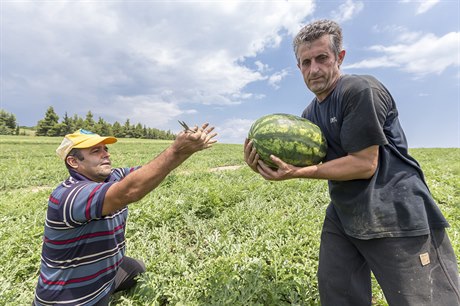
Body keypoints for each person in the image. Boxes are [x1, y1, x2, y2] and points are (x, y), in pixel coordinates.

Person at [244, 19, 460, 306]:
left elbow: (364, 164)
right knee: (338, 291)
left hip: (395, 208)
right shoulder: (310, 114)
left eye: (322, 58)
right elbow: (304, 159)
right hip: (345, 212)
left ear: (339, 57)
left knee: (423, 300)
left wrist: (296, 173)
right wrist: (264, 164)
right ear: (298, 67)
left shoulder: (359, 90)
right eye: (306, 62)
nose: (314, 69)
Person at [33, 125, 217, 305]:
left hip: (106, 277)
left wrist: (187, 150)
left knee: (136, 267)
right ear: (74, 162)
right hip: (72, 299)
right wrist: (176, 150)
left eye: (105, 149)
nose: (106, 153)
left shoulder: (112, 177)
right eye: (96, 151)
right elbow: (128, 190)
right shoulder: (69, 196)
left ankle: (108, 285)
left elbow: (148, 173)